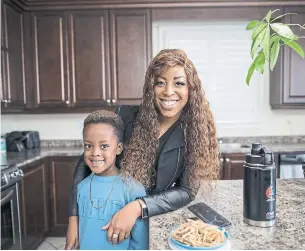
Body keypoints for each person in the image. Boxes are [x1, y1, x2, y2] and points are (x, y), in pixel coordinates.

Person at [65, 49, 220, 250]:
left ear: (191, 89)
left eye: (179, 83)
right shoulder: (126, 116)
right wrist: (73, 217)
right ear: (151, 86)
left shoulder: (196, 132)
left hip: (148, 217)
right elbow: (85, 163)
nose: (168, 91)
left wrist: (138, 207)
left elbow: (187, 191)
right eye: (160, 82)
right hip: (102, 213)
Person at [76, 110, 149, 250]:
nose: (95, 152)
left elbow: (140, 242)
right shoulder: (82, 187)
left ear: (119, 148)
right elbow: (81, 234)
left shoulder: (134, 189)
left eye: (104, 146)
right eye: (88, 145)